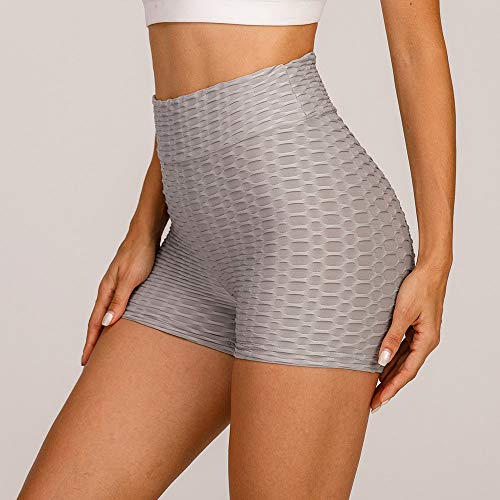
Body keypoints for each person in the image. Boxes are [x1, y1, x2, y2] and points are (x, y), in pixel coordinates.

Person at [19, 0, 455, 498]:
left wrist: (437, 262)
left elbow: (417, 46)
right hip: (194, 247)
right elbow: (194, 86)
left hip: (310, 238)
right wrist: (144, 225)